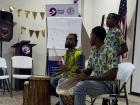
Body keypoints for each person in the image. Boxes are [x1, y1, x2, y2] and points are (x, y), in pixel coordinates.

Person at [57, 26, 118, 105]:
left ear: (95, 37)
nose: (90, 38)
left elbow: (112, 75)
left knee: (80, 86)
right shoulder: (93, 51)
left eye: (91, 36)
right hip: (94, 82)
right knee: (61, 81)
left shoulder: (110, 51)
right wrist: (77, 78)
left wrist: (88, 78)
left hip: (107, 86)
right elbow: (88, 71)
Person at [50, 33, 85, 105]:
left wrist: (67, 69)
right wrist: (55, 74)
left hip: (74, 78)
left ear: (75, 42)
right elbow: (65, 69)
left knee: (58, 81)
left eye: (70, 39)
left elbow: (82, 71)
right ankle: (65, 99)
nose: (67, 41)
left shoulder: (79, 54)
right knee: (51, 80)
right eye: (67, 39)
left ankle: (66, 99)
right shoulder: (67, 53)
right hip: (66, 76)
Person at [102, 13, 128, 105]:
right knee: (105, 80)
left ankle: (114, 101)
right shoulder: (107, 32)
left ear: (115, 21)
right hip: (105, 61)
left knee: (112, 81)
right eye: (107, 18)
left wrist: (113, 55)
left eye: (109, 18)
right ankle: (105, 100)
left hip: (112, 61)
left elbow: (125, 48)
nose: (107, 20)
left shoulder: (117, 31)